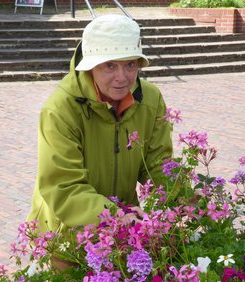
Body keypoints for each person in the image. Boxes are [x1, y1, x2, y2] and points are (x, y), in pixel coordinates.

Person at [27, 14, 173, 236]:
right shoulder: (60, 109)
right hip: (68, 234)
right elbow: (64, 187)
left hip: (124, 232)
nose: (121, 77)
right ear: (90, 66)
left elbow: (158, 165)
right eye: (110, 66)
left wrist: (190, 200)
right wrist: (117, 216)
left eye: (130, 65)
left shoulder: (150, 100)